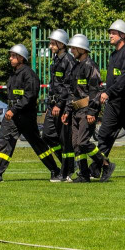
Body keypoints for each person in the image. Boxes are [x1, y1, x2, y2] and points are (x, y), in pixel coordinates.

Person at [0, 45, 61, 183]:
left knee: (38, 144)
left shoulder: (29, 74)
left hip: (25, 116)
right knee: (4, 142)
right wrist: (10, 110)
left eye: (13, 56)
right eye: (11, 56)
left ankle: (55, 171)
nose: (10, 59)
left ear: (21, 58)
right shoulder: (14, 74)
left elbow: (29, 96)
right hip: (12, 115)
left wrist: (14, 109)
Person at [61, 34, 116, 182]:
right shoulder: (76, 67)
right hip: (75, 110)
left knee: (83, 142)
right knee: (76, 145)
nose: (71, 50)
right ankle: (84, 174)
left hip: (87, 110)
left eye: (73, 48)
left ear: (82, 49)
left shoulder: (90, 66)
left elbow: (95, 92)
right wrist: (67, 110)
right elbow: (72, 91)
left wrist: (92, 111)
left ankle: (105, 163)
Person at [95, 19, 125, 176]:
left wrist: (108, 92)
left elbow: (124, 79)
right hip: (114, 104)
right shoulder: (114, 55)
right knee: (104, 134)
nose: (110, 35)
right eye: (110, 33)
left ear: (122, 35)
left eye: (113, 33)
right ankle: (99, 166)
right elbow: (114, 79)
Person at [41, 29, 75, 180]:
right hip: (52, 105)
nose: (50, 46)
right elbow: (54, 84)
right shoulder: (56, 59)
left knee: (64, 139)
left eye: (53, 43)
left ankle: (66, 171)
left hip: (62, 105)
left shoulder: (69, 60)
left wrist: (60, 105)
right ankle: (67, 164)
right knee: (47, 135)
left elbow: (68, 86)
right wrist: (50, 105)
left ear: (61, 44)